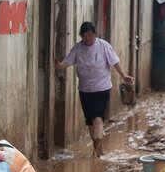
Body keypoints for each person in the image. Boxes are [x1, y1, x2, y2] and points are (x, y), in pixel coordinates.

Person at [56, 22, 134, 157]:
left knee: (97, 119)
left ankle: (97, 152)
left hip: (102, 88)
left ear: (95, 35)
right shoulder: (78, 48)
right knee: (90, 122)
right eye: (85, 37)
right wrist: (58, 64)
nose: (88, 39)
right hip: (85, 90)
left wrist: (123, 75)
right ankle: (97, 148)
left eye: (91, 36)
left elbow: (114, 62)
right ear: (81, 36)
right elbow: (66, 63)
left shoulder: (103, 46)